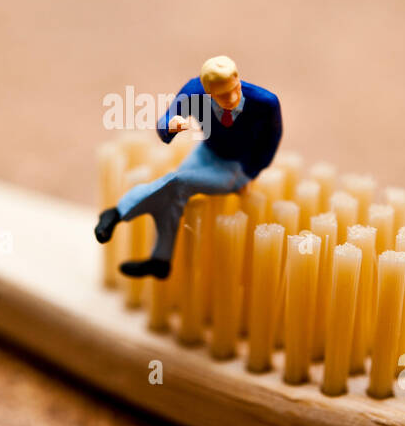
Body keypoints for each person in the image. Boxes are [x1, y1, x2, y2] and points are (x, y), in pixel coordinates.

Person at [94, 55, 282, 278]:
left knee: (178, 181)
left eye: (234, 89)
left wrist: (250, 173)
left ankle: (117, 212)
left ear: (238, 79)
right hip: (206, 152)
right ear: (208, 91)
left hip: (235, 168)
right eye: (221, 95)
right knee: (174, 197)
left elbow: (271, 140)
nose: (231, 98)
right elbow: (166, 120)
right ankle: (160, 261)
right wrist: (171, 126)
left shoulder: (265, 102)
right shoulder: (194, 91)